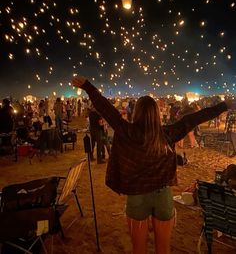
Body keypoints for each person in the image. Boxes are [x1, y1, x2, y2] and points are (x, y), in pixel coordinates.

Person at [72, 76, 233, 254]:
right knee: (163, 249)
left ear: (136, 113)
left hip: (137, 196)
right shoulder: (167, 134)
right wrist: (223, 106)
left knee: (139, 250)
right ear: (156, 114)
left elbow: (107, 110)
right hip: (163, 195)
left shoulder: (128, 131)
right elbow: (194, 119)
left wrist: (88, 86)